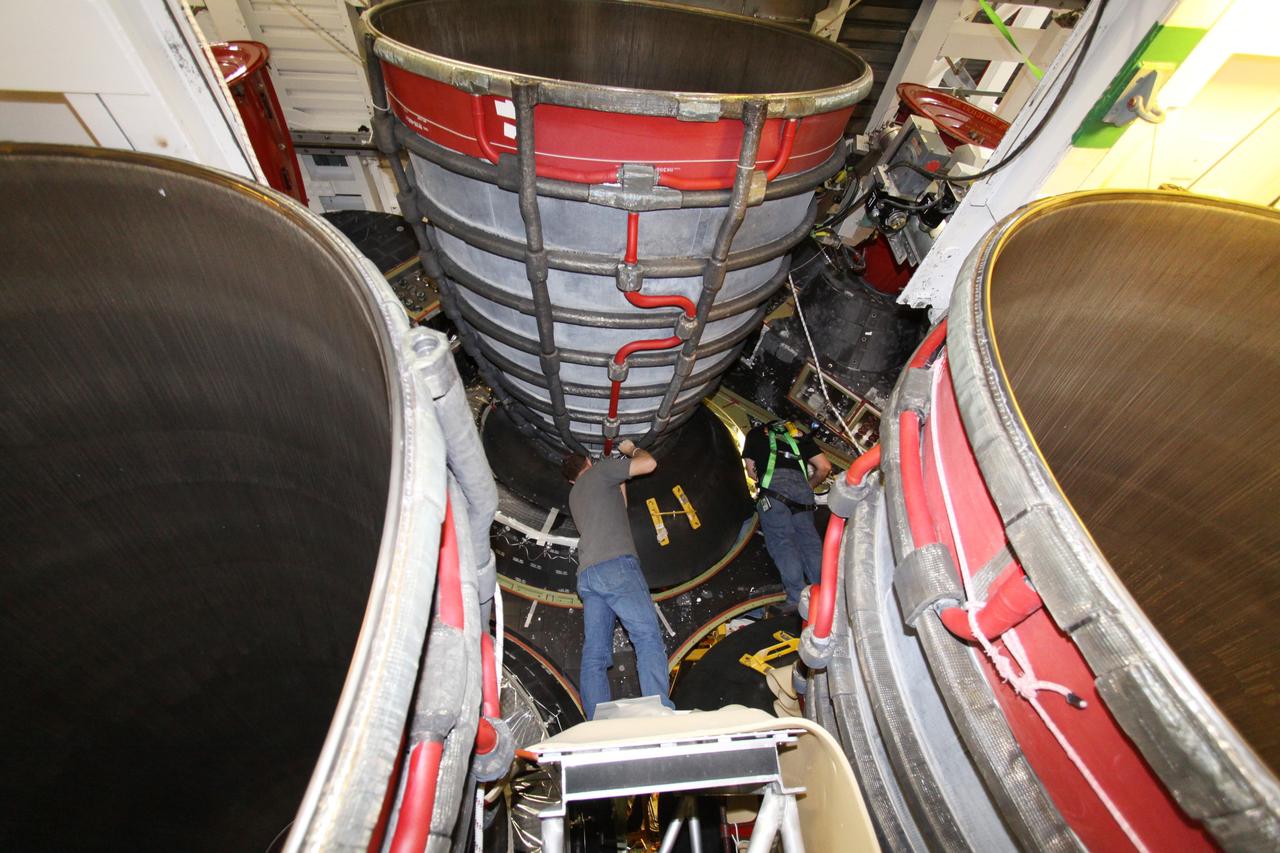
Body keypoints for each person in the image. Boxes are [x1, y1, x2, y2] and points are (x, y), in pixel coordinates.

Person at [563, 438, 673, 719]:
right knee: (646, 636)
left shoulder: (575, 496)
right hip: (616, 566)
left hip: (588, 575)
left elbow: (619, 506)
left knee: (595, 654)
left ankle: (596, 719)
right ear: (589, 463)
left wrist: (619, 473)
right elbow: (649, 463)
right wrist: (629, 451)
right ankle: (658, 709)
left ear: (571, 481)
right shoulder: (600, 472)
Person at [741, 421, 832, 608]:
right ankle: (825, 598)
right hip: (802, 491)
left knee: (783, 543)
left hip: (773, 490)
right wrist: (808, 486)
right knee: (810, 544)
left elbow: (751, 472)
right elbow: (824, 467)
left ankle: (797, 598)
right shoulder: (799, 434)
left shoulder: (756, 434)